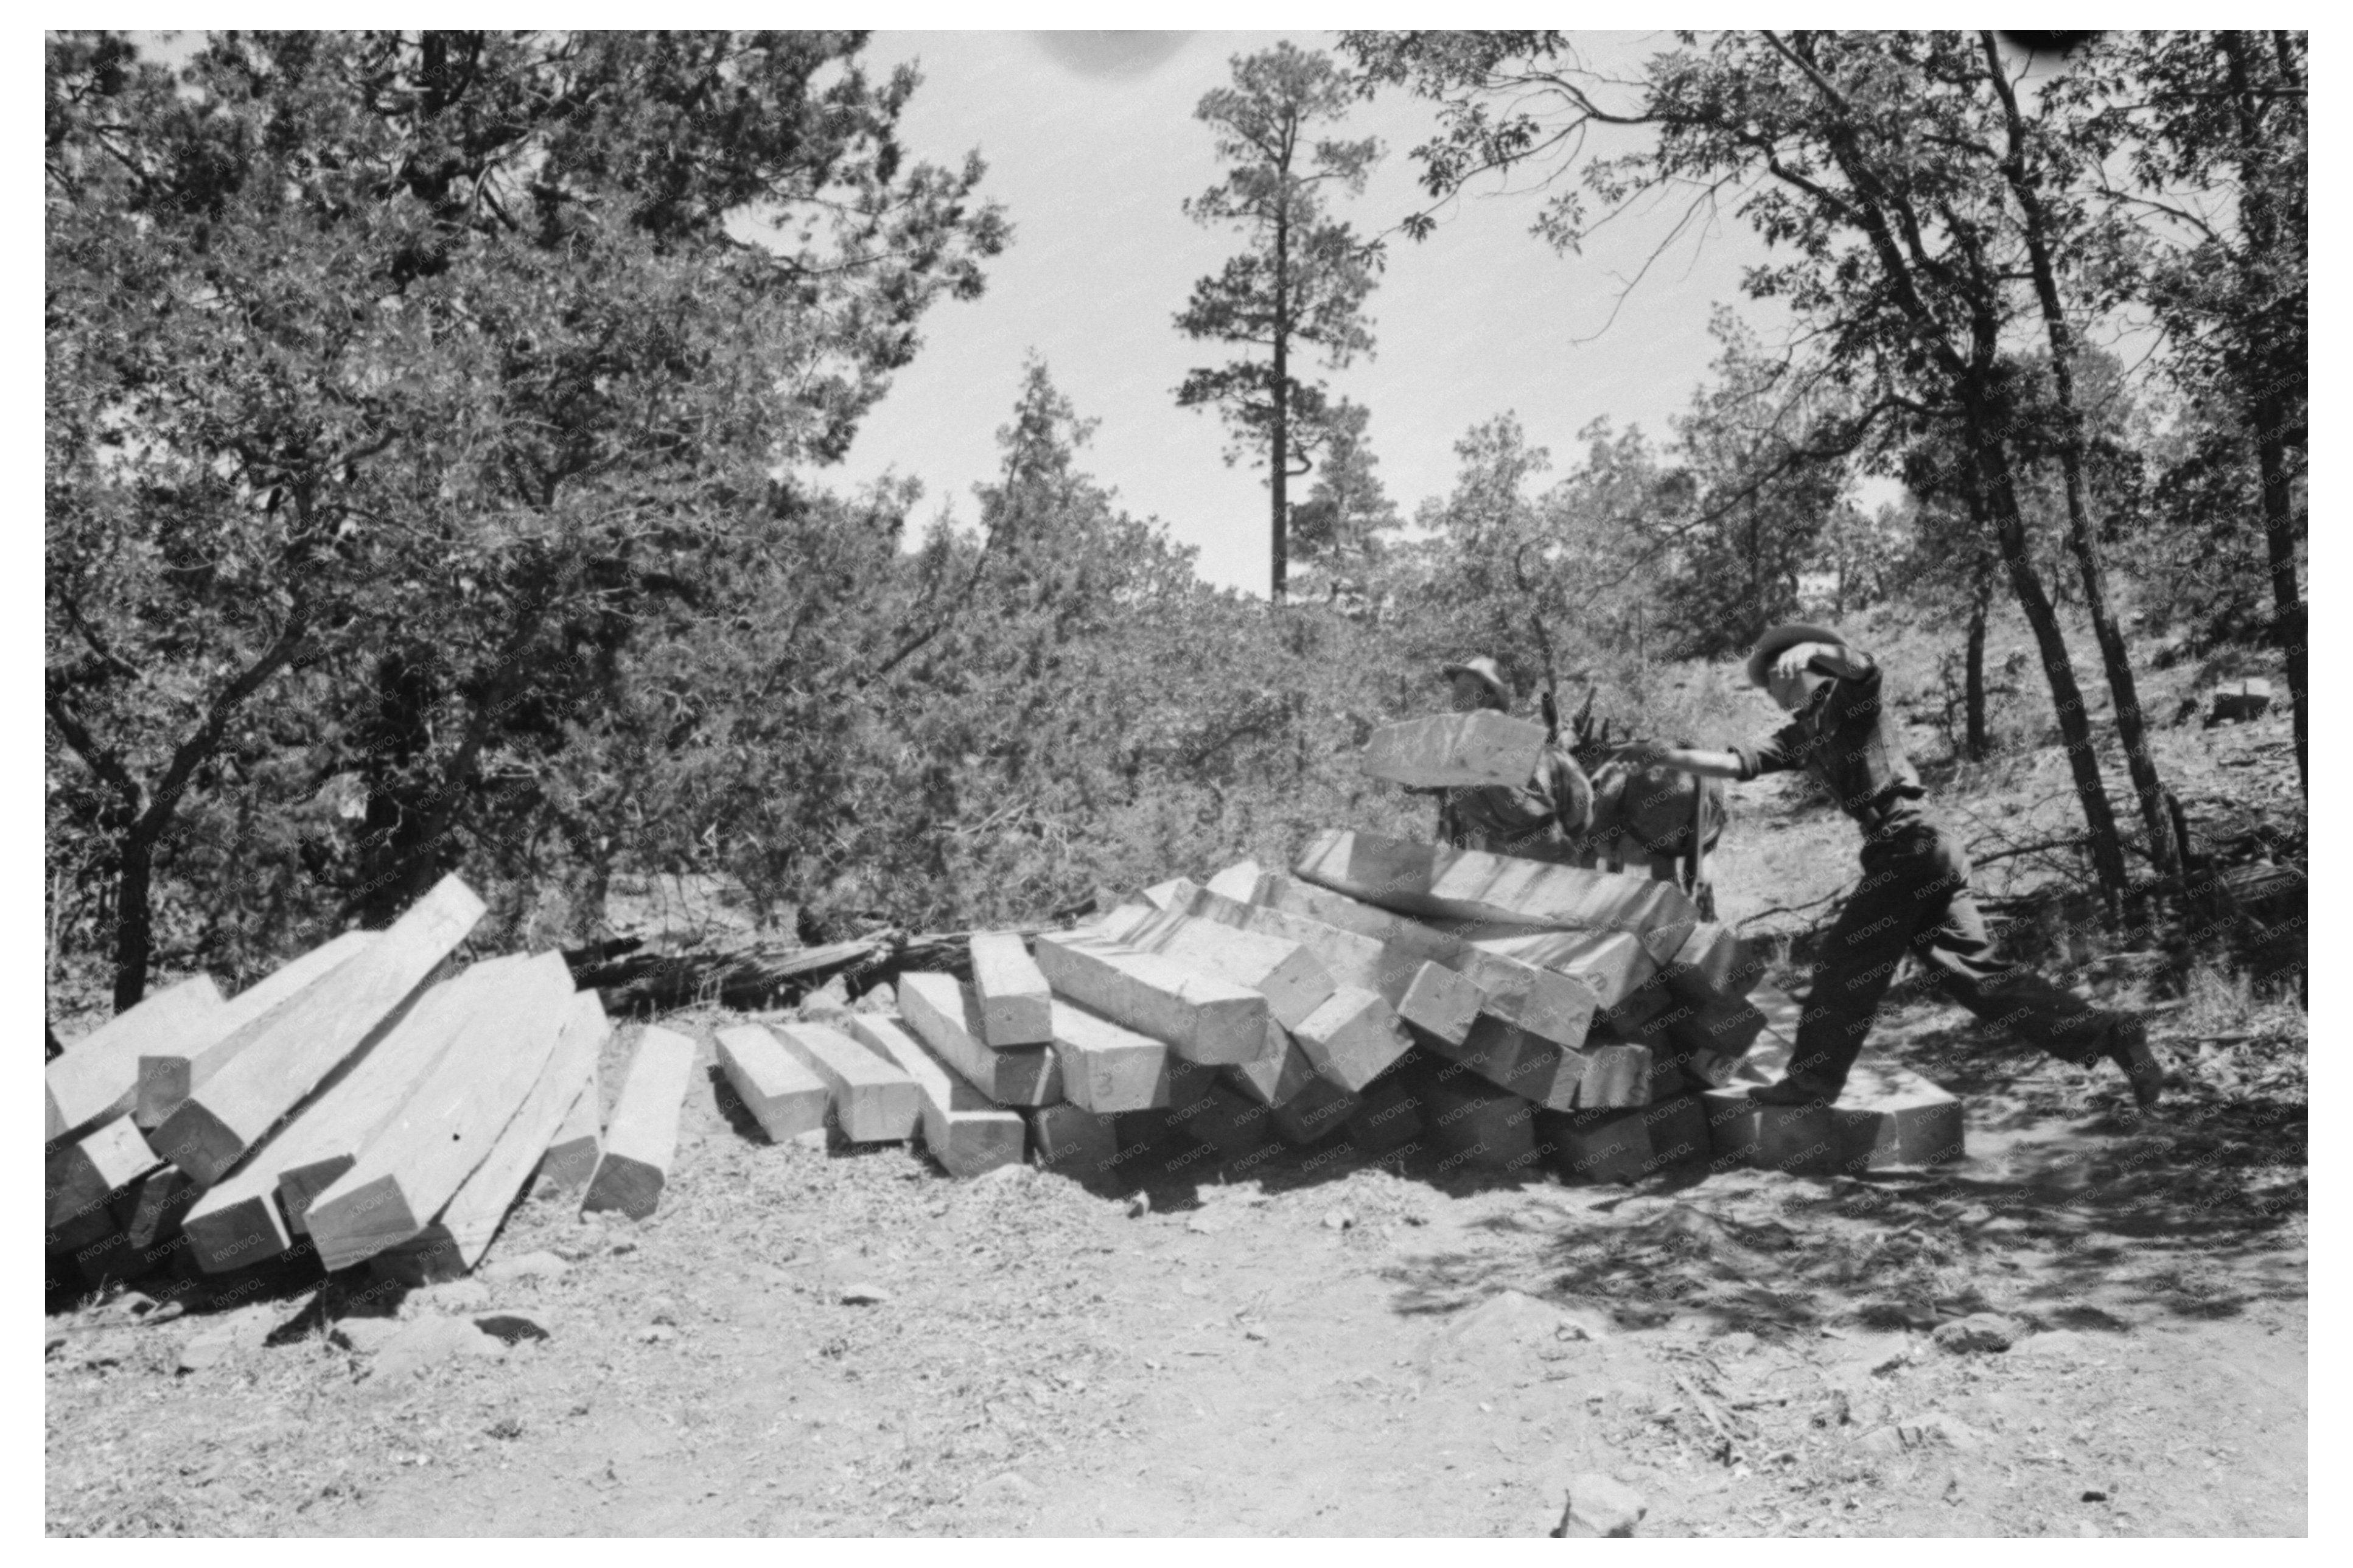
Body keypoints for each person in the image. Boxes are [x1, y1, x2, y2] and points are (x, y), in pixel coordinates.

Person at [1611, 624, 2163, 1110]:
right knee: (1981, 979)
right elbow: (1736, 764)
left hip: (1911, 844)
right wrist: (1659, 755)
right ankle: (2110, 1034)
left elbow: (1865, 668)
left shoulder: (1850, 700)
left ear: (1794, 671)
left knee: (1844, 963)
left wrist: (1817, 650)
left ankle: (1811, 1082)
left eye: (1771, 681)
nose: (1770, 694)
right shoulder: (1802, 734)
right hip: (1921, 851)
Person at [1432, 657, 1593, 865]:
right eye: (1458, 690)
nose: (1458, 699)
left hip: (1542, 853)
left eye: (1466, 690)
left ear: (1488, 698)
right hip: (1492, 856)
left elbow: (1576, 811)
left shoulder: (1511, 742)